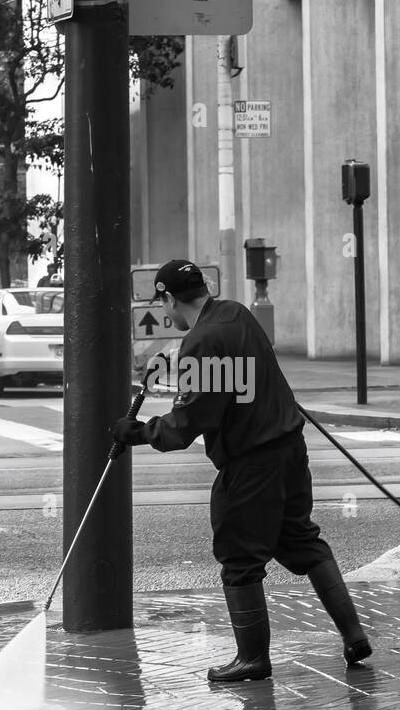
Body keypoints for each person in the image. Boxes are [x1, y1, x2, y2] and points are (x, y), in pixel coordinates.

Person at [110, 259, 372, 682]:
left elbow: (190, 422)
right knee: (303, 542)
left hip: (251, 465)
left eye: (165, 305)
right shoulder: (237, 313)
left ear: (169, 298)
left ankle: (253, 658)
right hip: (289, 450)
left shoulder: (200, 342)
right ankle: (354, 634)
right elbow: (233, 381)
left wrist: (138, 432)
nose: (167, 314)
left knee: (239, 560)